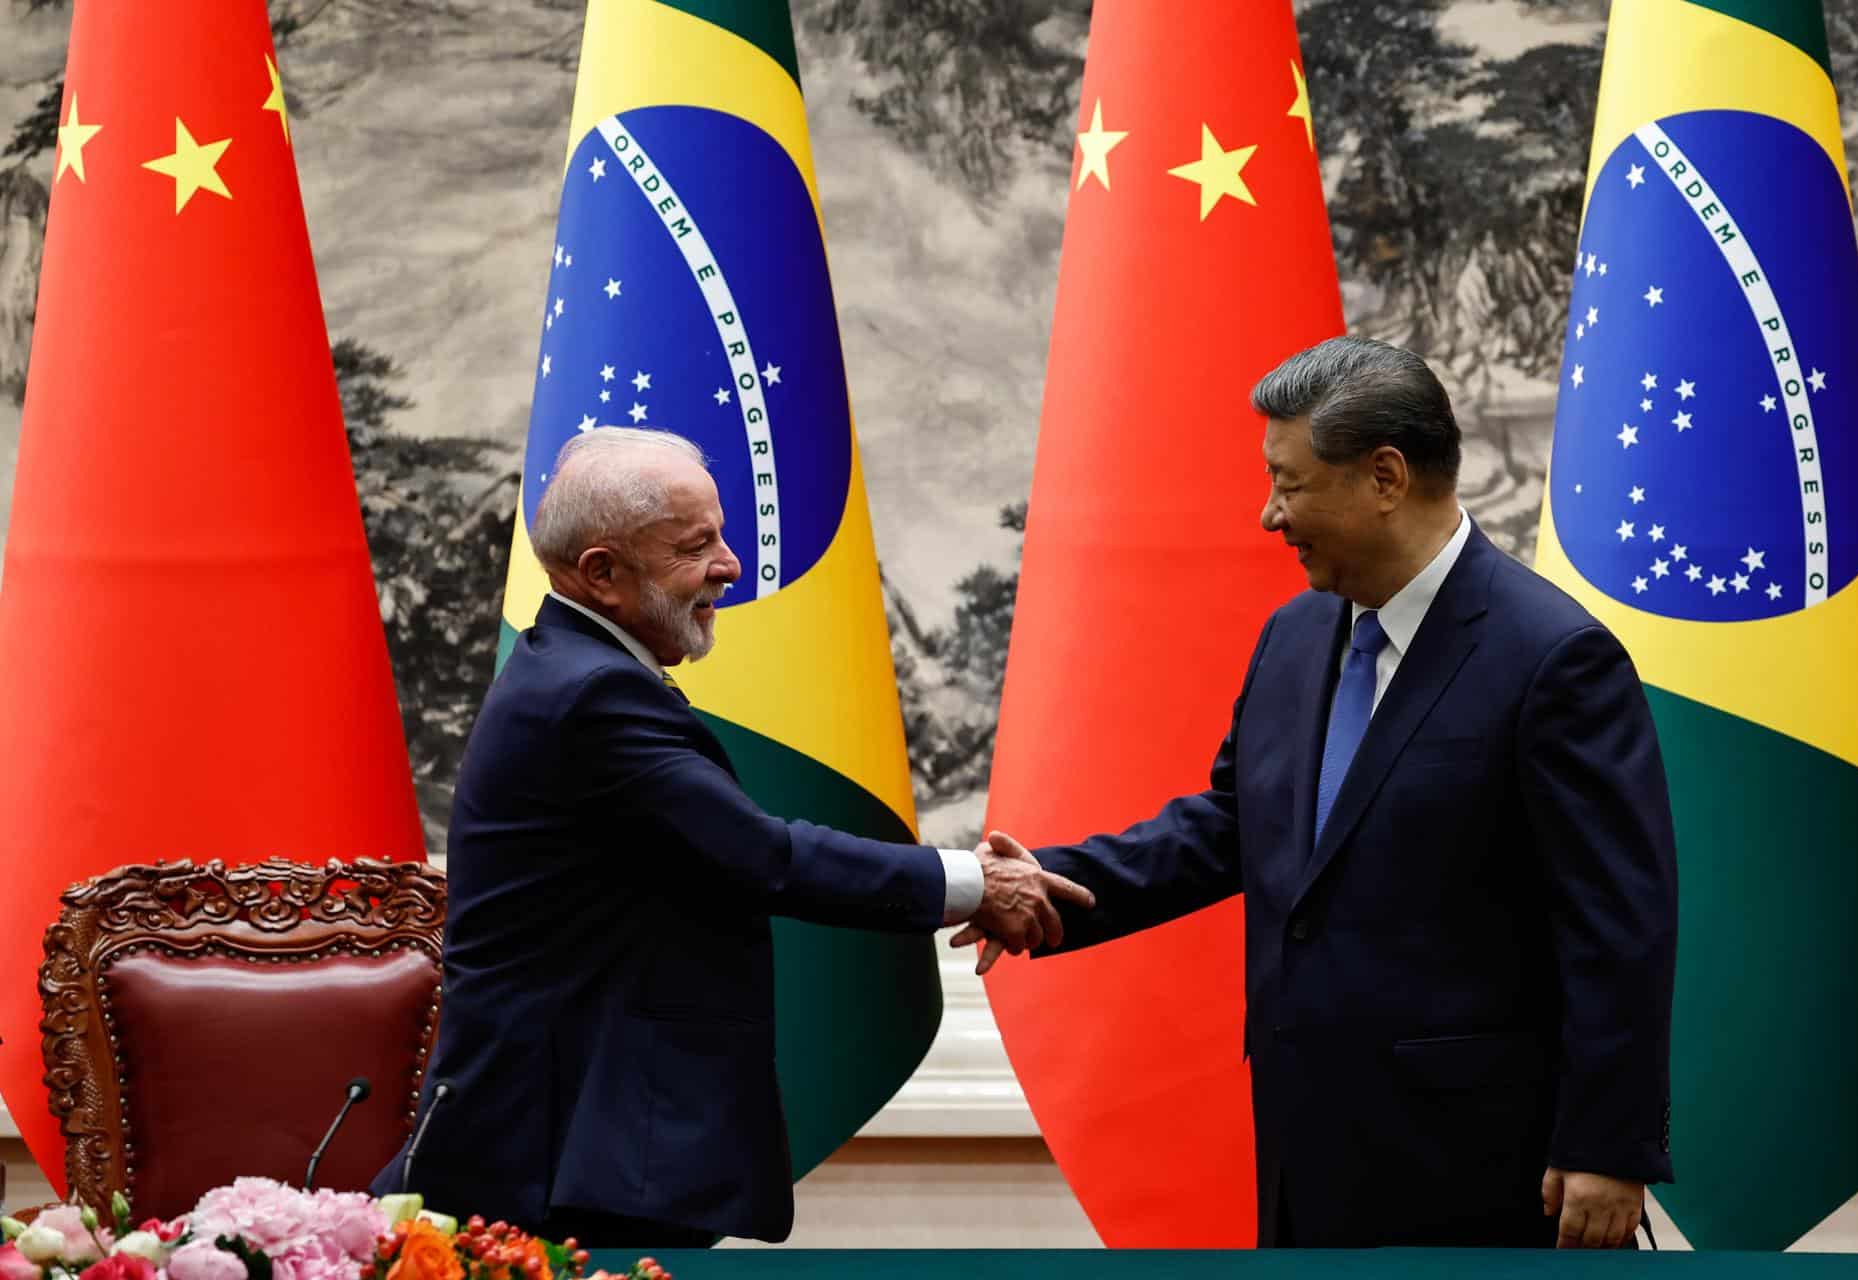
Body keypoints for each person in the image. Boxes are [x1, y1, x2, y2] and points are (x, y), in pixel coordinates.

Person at [961, 336, 1678, 1249]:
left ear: (1385, 476)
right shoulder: (1297, 635)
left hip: (1480, 1164)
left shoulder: (1553, 659)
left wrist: (1610, 1147)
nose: (1269, 515)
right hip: (1308, 1143)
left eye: (1289, 485)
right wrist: (1042, 888)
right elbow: (1230, 827)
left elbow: (1619, 924)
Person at [373, 428, 1091, 1246]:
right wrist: (973, 884)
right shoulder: (592, 695)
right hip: (565, 1152)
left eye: (721, 533)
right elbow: (762, 855)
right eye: (695, 545)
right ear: (601, 573)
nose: (731, 564)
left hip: (575, 1137)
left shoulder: (568, 669)